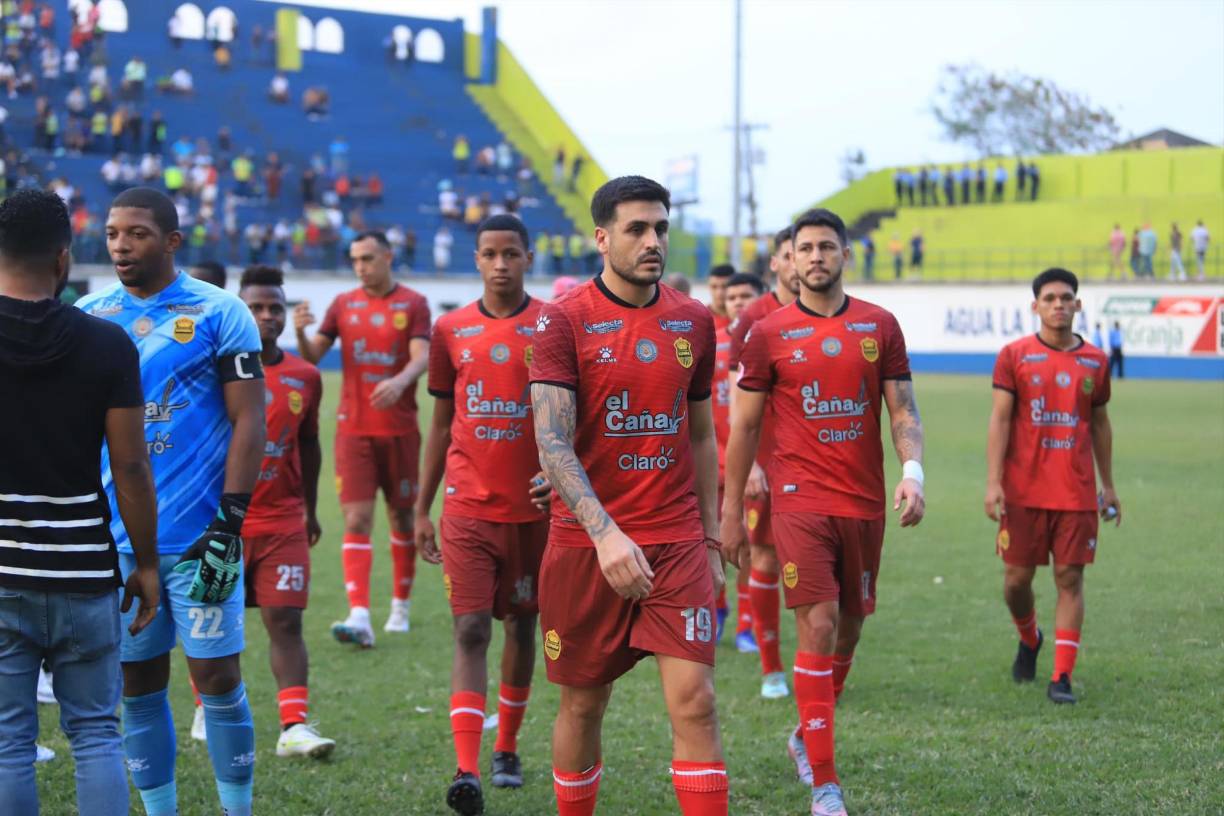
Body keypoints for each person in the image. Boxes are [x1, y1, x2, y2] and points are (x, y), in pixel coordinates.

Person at [529, 176, 729, 815]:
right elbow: (552, 443)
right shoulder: (563, 322)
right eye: (637, 229)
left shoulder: (693, 321)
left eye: (661, 228)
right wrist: (605, 532)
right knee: (585, 703)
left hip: (674, 543)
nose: (653, 241)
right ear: (602, 237)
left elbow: (701, 436)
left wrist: (710, 537)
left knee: (696, 700)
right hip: (587, 547)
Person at [722, 207, 925, 816]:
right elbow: (744, 425)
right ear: (790, 258)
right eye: (805, 248)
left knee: (851, 626)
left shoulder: (880, 325)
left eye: (826, 247)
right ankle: (826, 784)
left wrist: (912, 473)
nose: (816, 257)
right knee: (818, 625)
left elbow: (903, 411)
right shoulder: (767, 333)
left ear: (844, 255)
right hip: (798, 502)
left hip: (864, 502)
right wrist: (732, 510)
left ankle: (804, 732)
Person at [76, 187, 266, 816]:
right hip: (121, 543)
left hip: (201, 538)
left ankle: (236, 809)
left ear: (172, 241)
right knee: (137, 684)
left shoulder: (220, 312)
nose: (122, 246)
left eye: (137, 234)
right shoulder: (91, 315)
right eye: (112, 234)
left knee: (217, 678)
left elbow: (249, 421)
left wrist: (230, 522)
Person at [0, 189, 158, 816]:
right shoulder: (107, 343)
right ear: (63, 258)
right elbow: (130, 467)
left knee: (9, 741)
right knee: (95, 734)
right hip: (85, 571)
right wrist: (145, 564)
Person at [416, 215, 552, 813]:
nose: (501, 264)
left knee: (522, 626)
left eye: (511, 254)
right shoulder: (451, 328)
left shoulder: (552, 324)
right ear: (475, 259)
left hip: (535, 512)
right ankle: (466, 769)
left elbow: (572, 414)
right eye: (490, 254)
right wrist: (421, 507)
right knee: (470, 628)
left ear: (528, 257)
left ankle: (508, 745)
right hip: (467, 509)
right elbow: (441, 424)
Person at [199, 265, 332, 758]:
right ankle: (204, 709)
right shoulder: (210, 371)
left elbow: (311, 445)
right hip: (220, 522)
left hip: (282, 522)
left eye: (275, 307)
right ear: (237, 308)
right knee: (213, 622)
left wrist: (312, 512)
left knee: (285, 621)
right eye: (255, 307)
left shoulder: (305, 376)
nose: (267, 315)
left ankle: (294, 725)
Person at [985, 268, 1118, 706]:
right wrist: (993, 483)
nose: (1058, 305)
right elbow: (1000, 420)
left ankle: (1061, 677)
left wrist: (1109, 485)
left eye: (1066, 298)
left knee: (1069, 577)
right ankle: (1030, 637)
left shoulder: (1096, 362)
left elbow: (1099, 423)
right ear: (1035, 306)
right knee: (1015, 582)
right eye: (1049, 298)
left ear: (1078, 305)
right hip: (1022, 491)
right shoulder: (1014, 355)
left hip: (1076, 491)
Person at [293, 231, 431, 645]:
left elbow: (422, 355)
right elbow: (313, 357)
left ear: (388, 257)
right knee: (356, 518)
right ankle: (359, 614)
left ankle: (400, 606)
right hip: (353, 430)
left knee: (402, 517)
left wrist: (402, 379)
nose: (360, 266)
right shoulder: (343, 304)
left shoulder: (414, 303)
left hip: (400, 430)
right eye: (355, 259)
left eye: (368, 258)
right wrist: (300, 333)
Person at [727, 226, 800, 699]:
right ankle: (772, 667)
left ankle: (823, 663)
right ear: (775, 262)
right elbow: (739, 396)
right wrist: (750, 463)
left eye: (812, 251)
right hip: (770, 461)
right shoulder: (754, 317)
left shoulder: (839, 313)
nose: (802, 262)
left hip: (818, 463)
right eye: (792, 254)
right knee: (767, 557)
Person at [716, 272, 764, 652]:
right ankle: (717, 610)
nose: (736, 302)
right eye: (731, 296)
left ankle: (747, 624)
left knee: (750, 547)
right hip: (709, 460)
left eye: (745, 295)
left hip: (749, 464)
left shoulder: (766, 339)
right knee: (711, 543)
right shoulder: (708, 338)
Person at [706, 263, 734, 329]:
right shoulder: (700, 317)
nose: (719, 292)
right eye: (714, 287)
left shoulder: (744, 319)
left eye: (724, 286)